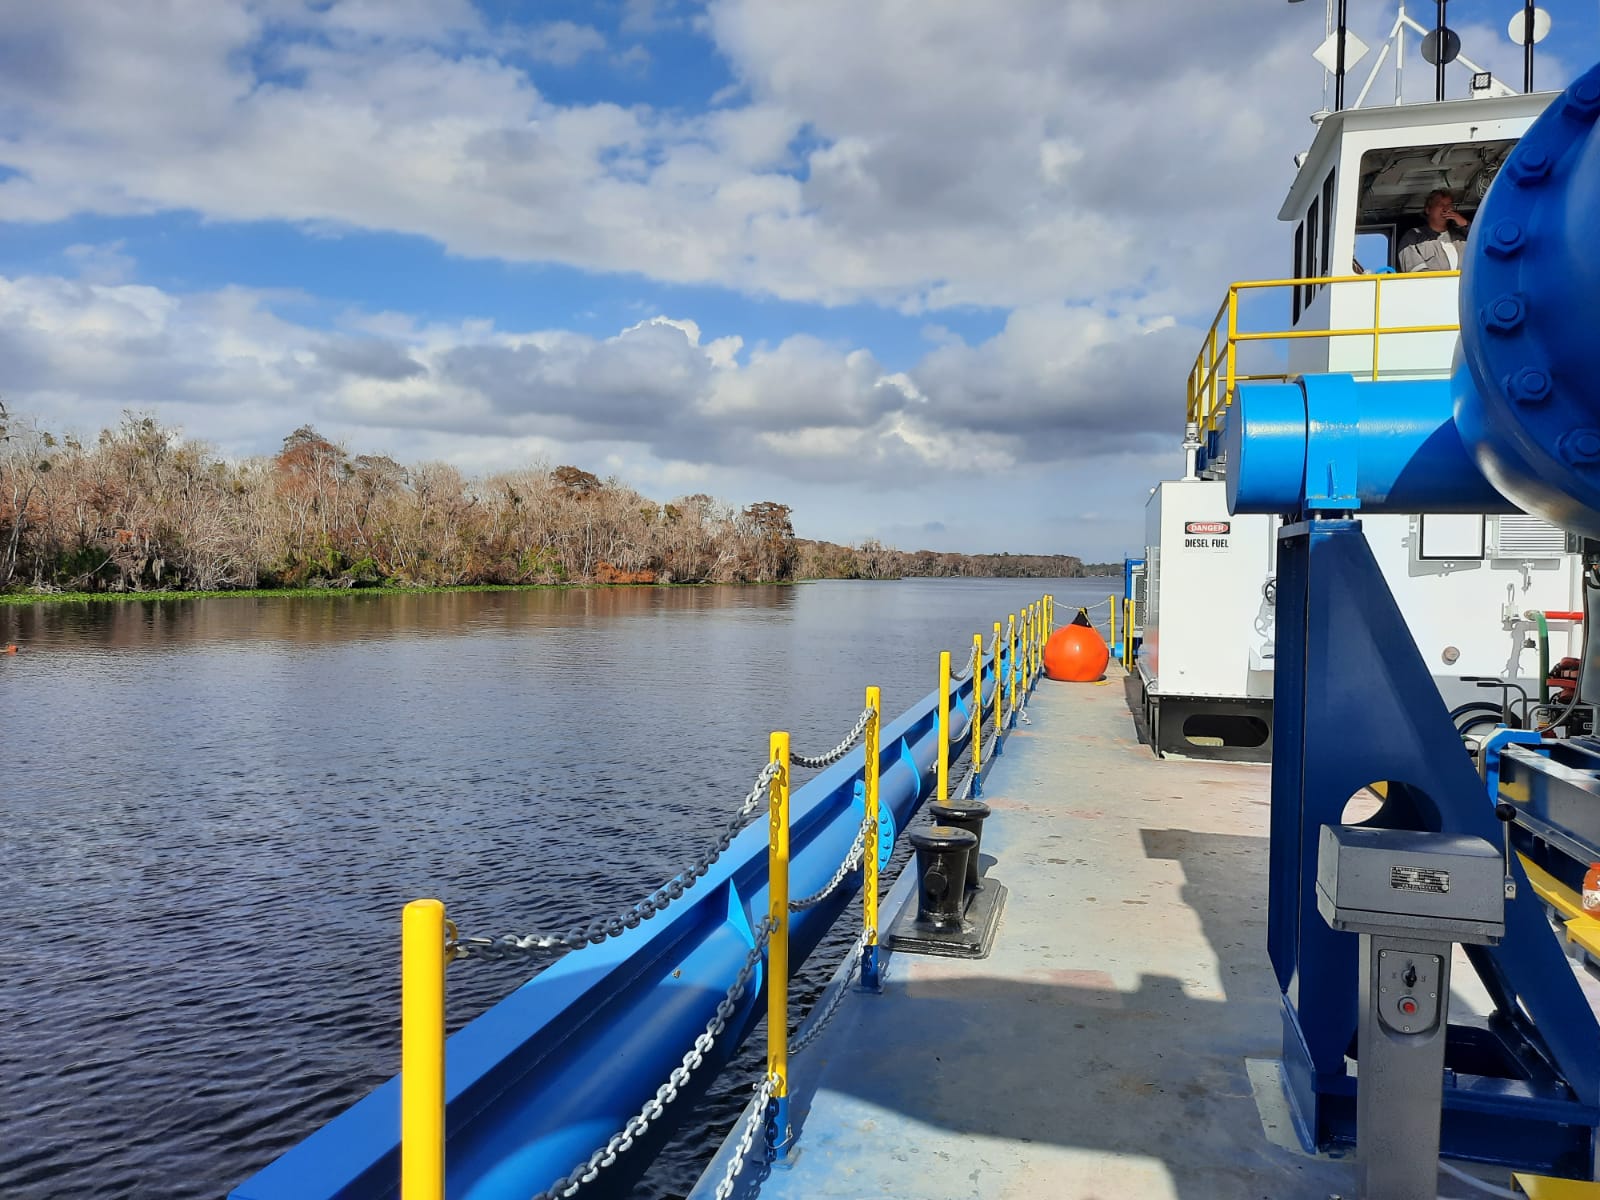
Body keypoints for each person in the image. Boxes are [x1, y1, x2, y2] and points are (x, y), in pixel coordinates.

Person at [1397, 188, 1470, 272]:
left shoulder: (1462, 234)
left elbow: (1482, 244)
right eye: (1440, 205)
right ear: (1428, 210)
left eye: (1449, 205)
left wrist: (1465, 224)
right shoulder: (1413, 237)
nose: (1446, 209)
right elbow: (1415, 272)